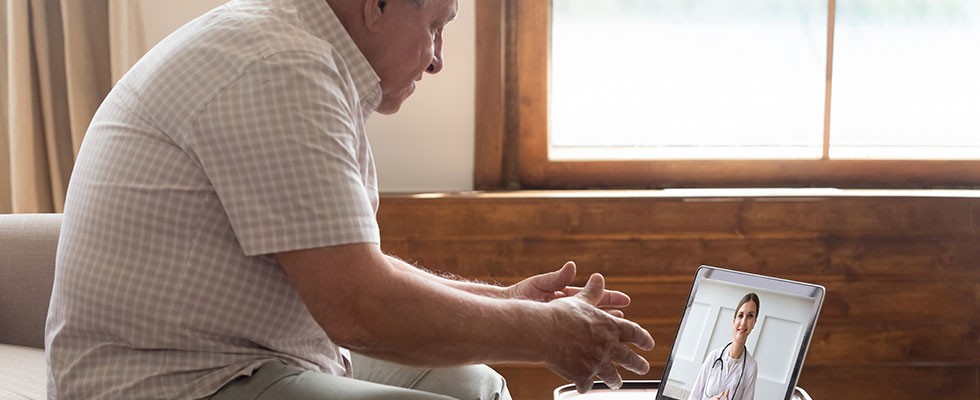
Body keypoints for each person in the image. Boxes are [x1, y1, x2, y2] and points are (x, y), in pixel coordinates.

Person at [44, 0, 655, 399]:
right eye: (436, 25)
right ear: (376, 6)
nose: (439, 58)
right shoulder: (281, 68)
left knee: (474, 385)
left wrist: (506, 301)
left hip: (240, 355)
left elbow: (352, 266)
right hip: (171, 382)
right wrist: (544, 334)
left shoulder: (294, 50)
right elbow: (360, 308)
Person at [688, 293, 760, 400]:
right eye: (740, 315)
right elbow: (693, 397)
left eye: (750, 316)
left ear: (754, 322)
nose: (744, 322)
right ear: (734, 320)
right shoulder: (713, 356)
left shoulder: (751, 367)